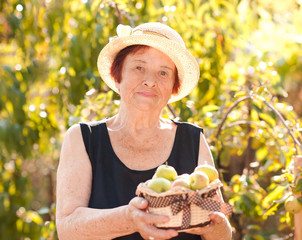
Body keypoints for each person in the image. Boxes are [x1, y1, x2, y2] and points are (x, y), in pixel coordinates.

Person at [56, 22, 232, 240]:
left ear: (173, 87)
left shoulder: (192, 140)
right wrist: (129, 219)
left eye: (163, 73)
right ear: (117, 75)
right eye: (139, 67)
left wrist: (209, 223)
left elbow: (223, 232)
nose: (150, 81)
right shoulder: (84, 139)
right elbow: (67, 229)